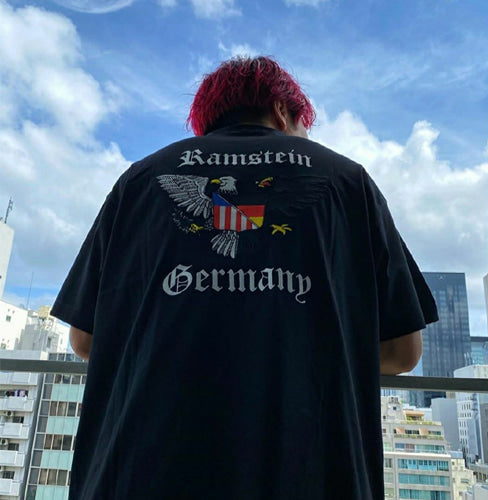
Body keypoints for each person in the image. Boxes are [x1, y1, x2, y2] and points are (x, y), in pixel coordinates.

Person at [51, 56, 438, 500]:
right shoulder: (349, 181)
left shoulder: (139, 181)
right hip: (310, 472)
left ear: (208, 122)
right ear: (281, 111)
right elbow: (403, 351)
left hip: (139, 472)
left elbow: (84, 340)